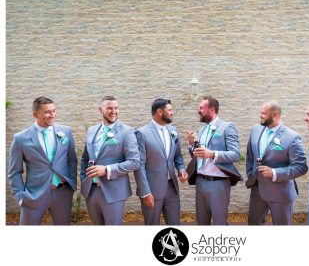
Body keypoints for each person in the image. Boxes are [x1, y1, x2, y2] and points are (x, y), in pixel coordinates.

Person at [8, 96, 77, 225]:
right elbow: (14, 171)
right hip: (33, 195)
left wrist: (71, 184)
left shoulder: (66, 132)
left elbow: (71, 160)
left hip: (62, 193)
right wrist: (20, 197)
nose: (52, 115)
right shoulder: (20, 138)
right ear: (35, 114)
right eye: (47, 112)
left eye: (54, 111)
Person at [80, 96, 140, 225]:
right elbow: (85, 158)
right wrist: (84, 178)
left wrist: (107, 169)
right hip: (91, 190)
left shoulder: (127, 132)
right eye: (109, 108)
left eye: (116, 108)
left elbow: (134, 162)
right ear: (100, 110)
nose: (114, 111)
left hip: (113, 191)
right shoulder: (91, 131)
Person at [245, 101, 308, 225]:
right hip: (257, 190)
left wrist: (274, 172)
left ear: (275, 114)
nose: (260, 116)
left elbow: (301, 167)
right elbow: (250, 155)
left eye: (263, 113)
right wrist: (251, 174)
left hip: (280, 191)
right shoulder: (255, 130)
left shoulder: (292, 137)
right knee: (253, 224)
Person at [186, 95, 242, 225]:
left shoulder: (227, 127)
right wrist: (192, 145)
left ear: (211, 109)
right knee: (201, 222)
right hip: (200, 182)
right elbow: (197, 155)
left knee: (219, 223)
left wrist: (212, 154)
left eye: (201, 108)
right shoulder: (201, 130)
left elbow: (235, 154)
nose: (198, 110)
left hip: (218, 183)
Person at [134, 98, 187, 225]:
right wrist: (145, 192)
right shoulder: (142, 133)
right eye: (169, 110)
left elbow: (178, 155)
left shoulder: (173, 131)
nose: (172, 112)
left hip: (172, 188)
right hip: (151, 189)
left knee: (175, 226)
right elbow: (139, 165)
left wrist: (181, 169)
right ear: (159, 112)